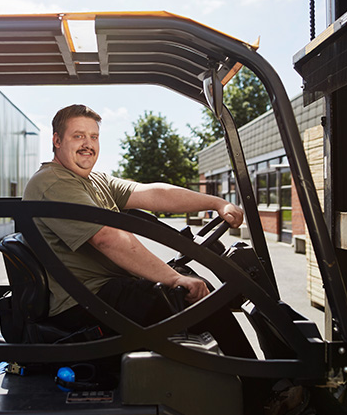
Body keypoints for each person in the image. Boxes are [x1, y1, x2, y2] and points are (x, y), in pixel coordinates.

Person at [23, 104, 255, 358]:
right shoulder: (53, 182)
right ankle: (267, 390)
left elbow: (153, 194)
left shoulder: (94, 180)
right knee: (198, 298)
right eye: (78, 136)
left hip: (110, 290)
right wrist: (174, 279)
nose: (88, 144)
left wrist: (215, 203)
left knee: (202, 289)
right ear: (57, 140)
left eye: (94, 137)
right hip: (86, 301)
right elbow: (106, 238)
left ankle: (246, 383)